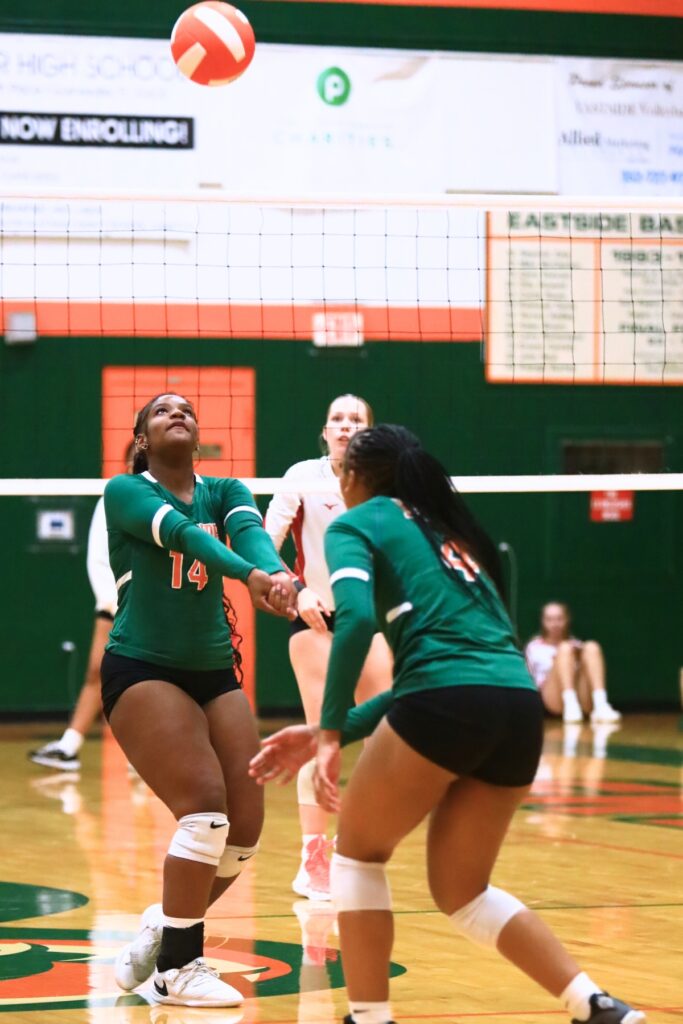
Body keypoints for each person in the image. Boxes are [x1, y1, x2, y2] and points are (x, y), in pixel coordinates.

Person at [250, 424, 644, 1024]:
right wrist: (336, 730)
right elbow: (447, 675)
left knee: (356, 855)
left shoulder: (359, 522)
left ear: (349, 479)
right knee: (464, 892)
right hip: (516, 707)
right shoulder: (452, 537)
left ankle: (369, 1017)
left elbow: (353, 624)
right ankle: (594, 1004)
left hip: (449, 698)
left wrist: (328, 733)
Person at [104, 392, 296, 1008]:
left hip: (214, 670)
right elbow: (186, 537)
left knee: (244, 831)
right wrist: (249, 577)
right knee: (204, 806)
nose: (177, 414)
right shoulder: (127, 491)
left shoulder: (226, 490)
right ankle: (177, 971)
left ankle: (165, 927)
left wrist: (278, 575)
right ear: (141, 440)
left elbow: (252, 536)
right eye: (161, 412)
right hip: (142, 668)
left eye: (185, 408)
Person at [265, 394, 392, 900]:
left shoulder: (385, 482)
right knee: (325, 738)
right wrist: (297, 591)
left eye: (355, 418)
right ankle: (314, 854)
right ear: (324, 431)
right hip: (314, 620)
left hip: (366, 618)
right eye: (336, 418)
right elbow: (263, 543)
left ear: (368, 431)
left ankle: (354, 842)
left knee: (393, 733)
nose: (344, 425)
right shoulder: (303, 476)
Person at [29, 445, 135, 772]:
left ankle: (145, 754)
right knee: (98, 672)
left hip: (157, 608)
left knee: (155, 681)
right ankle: (70, 746)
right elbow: (98, 558)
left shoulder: (169, 497)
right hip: (116, 604)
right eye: (133, 459)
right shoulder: (112, 498)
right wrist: (110, 601)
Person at [525, 603, 621, 725]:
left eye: (559, 619)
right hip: (552, 699)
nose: (555, 624)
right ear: (543, 621)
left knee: (592, 646)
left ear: (567, 620)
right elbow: (529, 680)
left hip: (581, 696)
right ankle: (570, 703)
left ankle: (601, 704)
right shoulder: (534, 647)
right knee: (564, 648)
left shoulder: (576, 644)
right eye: (550, 619)